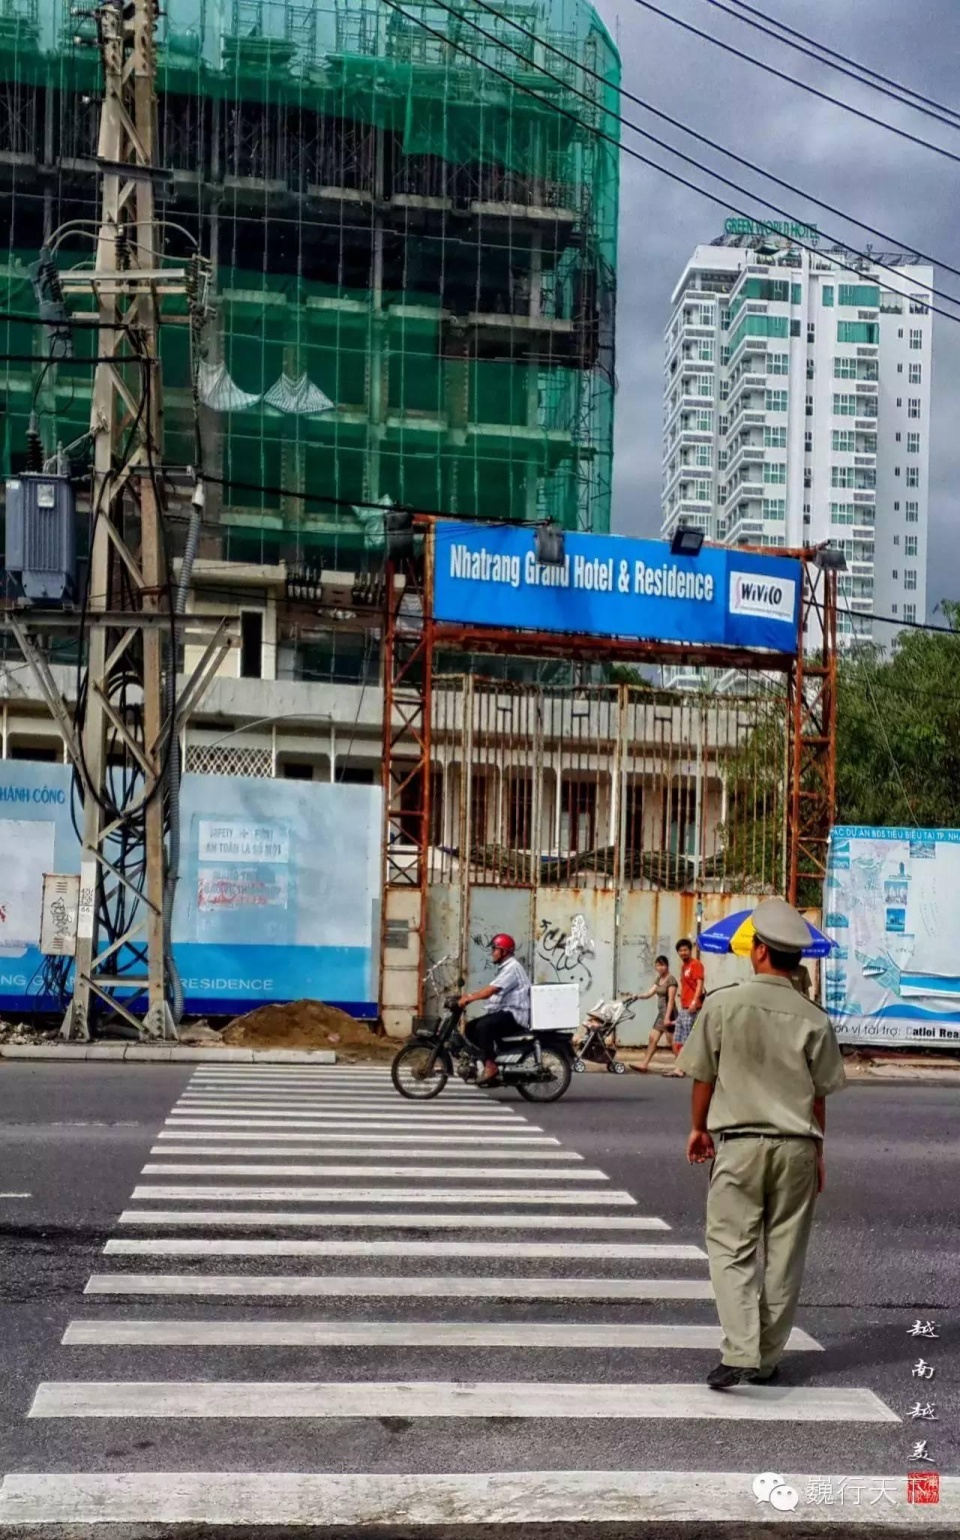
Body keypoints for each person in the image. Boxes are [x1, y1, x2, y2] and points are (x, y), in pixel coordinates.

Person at [676, 897, 846, 1391]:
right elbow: (819, 1098)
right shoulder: (814, 1018)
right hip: (796, 1146)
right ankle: (767, 1358)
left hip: (741, 1144)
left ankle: (741, 1349)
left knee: (730, 1247)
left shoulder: (723, 1003)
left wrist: (698, 1128)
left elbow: (702, 1076)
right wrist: (818, 1153)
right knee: (786, 1253)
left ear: (759, 952)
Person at [458, 934, 532, 1086]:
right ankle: (486, 1061)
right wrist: (469, 996)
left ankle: (491, 1066)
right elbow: (491, 988)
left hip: (515, 1015)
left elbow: (490, 990)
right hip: (505, 1012)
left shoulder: (512, 968)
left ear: (504, 952)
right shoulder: (506, 968)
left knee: (484, 1026)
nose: (492, 952)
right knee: (470, 1027)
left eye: (495, 949)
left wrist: (470, 998)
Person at [666, 937, 705, 1078]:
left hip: (692, 1007)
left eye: (685, 950)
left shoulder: (696, 965)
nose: (683, 953)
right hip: (684, 1007)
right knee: (677, 1040)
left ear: (690, 950)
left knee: (688, 1040)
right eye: (680, 950)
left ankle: (690, 1068)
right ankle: (680, 1067)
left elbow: (699, 984)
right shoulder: (684, 967)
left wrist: (695, 1002)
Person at [635, 955, 678, 1072]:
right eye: (658, 965)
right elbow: (650, 993)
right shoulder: (659, 979)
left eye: (662, 965)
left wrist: (668, 1017)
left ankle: (680, 1067)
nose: (659, 968)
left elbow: (671, 1000)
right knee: (652, 1039)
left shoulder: (671, 980)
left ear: (667, 966)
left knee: (672, 1042)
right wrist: (637, 996)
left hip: (669, 1013)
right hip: (661, 1014)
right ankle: (644, 1064)